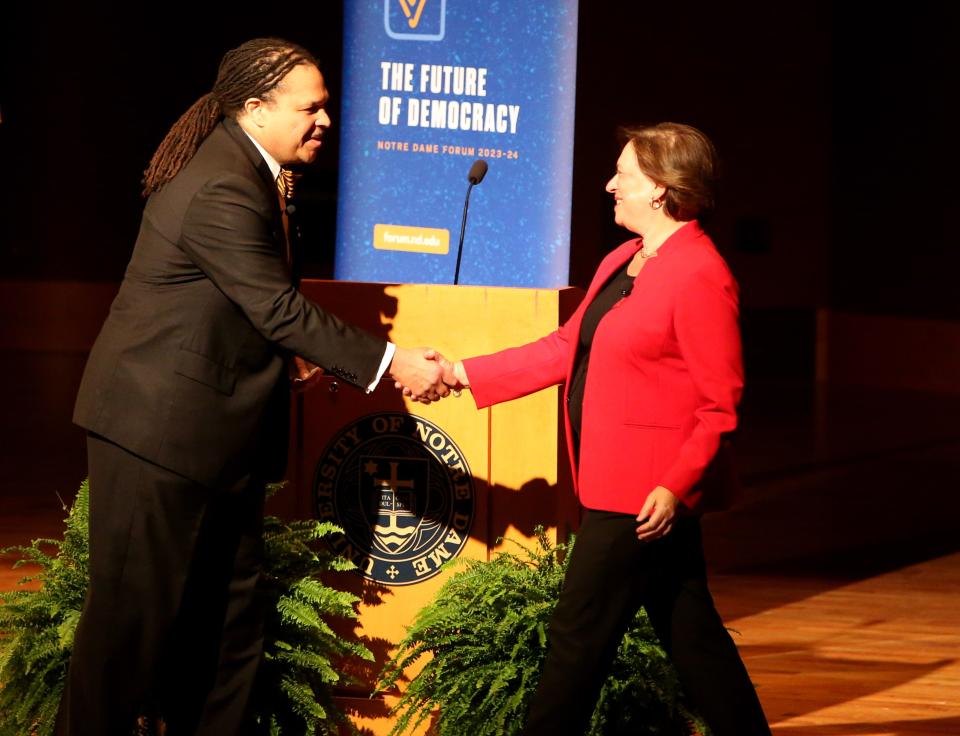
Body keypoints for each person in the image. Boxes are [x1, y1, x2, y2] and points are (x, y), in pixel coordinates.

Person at [56, 38, 446, 736]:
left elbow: (240, 306)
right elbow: (276, 306)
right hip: (159, 435)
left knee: (230, 630)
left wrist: (289, 357)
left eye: (326, 107)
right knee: (130, 629)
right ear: (255, 107)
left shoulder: (257, 171)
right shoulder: (221, 184)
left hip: (214, 436)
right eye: (311, 108)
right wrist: (395, 362)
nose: (325, 121)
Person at [430, 123, 771, 735]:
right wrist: (460, 372)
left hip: (641, 496)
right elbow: (566, 348)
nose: (610, 184)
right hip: (614, 480)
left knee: (576, 637)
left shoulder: (700, 273)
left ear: (662, 191)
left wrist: (674, 485)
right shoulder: (626, 257)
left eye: (625, 176)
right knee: (692, 636)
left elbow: (722, 402)